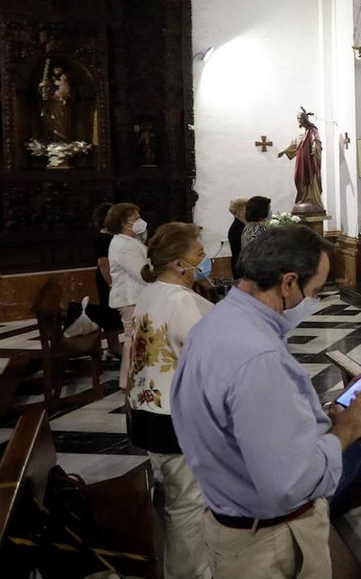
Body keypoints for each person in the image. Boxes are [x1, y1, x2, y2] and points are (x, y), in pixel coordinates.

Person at [172, 227, 361, 578]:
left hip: (228, 516)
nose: (314, 302)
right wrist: (347, 429)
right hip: (270, 543)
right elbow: (290, 485)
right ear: (288, 284)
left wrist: (315, 423)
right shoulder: (258, 356)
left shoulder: (215, 324)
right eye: (314, 292)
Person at [127, 223, 213, 579]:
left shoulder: (152, 291)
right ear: (179, 263)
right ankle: (189, 573)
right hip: (175, 417)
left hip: (147, 410)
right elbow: (207, 361)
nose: (204, 258)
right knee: (188, 506)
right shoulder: (182, 302)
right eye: (198, 254)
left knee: (181, 498)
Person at [104, 202, 148, 388]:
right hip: (131, 297)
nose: (140, 221)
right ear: (123, 223)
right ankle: (129, 380)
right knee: (132, 339)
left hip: (136, 296)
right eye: (135, 219)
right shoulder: (122, 245)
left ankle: (136, 378)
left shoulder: (130, 240)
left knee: (138, 338)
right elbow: (141, 273)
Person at [91, 202, 123, 360]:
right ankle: (113, 346)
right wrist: (111, 283)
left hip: (113, 278)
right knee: (109, 311)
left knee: (115, 311)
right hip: (107, 279)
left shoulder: (111, 237)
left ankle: (115, 344)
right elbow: (103, 264)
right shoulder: (102, 238)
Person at [280, 108, 324, 214]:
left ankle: (312, 200)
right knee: (298, 177)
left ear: (305, 118)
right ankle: (303, 198)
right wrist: (284, 151)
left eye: (300, 118)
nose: (299, 120)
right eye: (298, 118)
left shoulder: (312, 129)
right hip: (300, 160)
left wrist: (314, 145)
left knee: (310, 177)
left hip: (309, 160)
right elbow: (294, 144)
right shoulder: (300, 132)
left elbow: (316, 139)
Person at [38, 59, 73, 142]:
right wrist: (41, 86)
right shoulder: (49, 79)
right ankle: (53, 138)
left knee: (62, 122)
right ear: (52, 69)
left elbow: (71, 92)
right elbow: (42, 91)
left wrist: (65, 97)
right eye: (56, 68)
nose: (58, 70)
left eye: (59, 68)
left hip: (63, 105)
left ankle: (63, 138)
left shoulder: (66, 80)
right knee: (51, 121)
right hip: (51, 105)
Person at [227, 197, 247, 279]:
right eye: (247, 209)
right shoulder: (236, 228)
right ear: (239, 213)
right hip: (241, 266)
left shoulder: (244, 226)